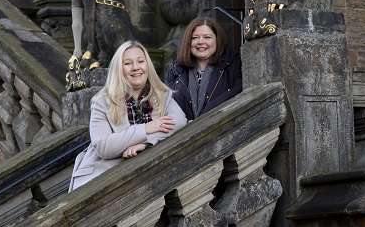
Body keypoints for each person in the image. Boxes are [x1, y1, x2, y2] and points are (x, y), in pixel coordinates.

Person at [69, 40, 187, 191]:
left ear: (148, 66)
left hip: (145, 175)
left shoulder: (162, 96)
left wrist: (145, 144)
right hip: (102, 177)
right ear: (119, 69)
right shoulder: (102, 101)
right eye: (128, 63)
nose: (136, 67)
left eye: (140, 61)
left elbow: (180, 122)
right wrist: (145, 129)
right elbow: (103, 146)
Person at [165, 17, 242, 121]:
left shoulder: (234, 65)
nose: (200, 42)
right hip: (183, 134)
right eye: (195, 37)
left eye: (207, 37)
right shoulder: (175, 73)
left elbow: (237, 95)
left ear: (217, 40)